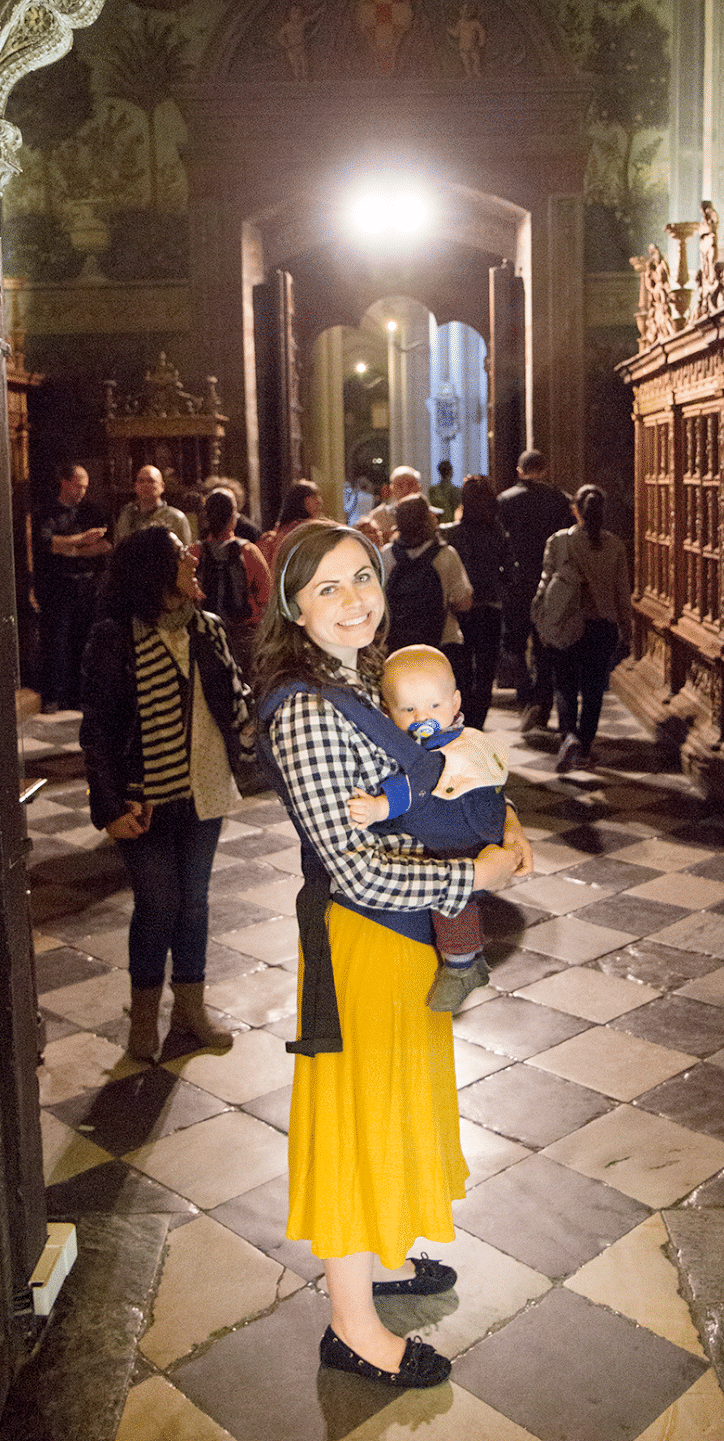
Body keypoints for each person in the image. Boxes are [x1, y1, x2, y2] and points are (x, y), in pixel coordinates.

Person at [254, 519, 530, 1389]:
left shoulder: (370, 677)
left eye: (360, 579)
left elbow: (448, 767)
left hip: (404, 944)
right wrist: (468, 880)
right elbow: (354, 869)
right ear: (293, 607)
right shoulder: (304, 708)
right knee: (350, 1121)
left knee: (395, 1103)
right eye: (327, 587)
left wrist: (503, 824)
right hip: (361, 943)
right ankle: (350, 1326)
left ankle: (384, 1250)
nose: (352, 600)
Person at [80, 527, 252, 1061]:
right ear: (156, 572)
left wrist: (255, 722)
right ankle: (144, 1020)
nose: (193, 559)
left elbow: (233, 697)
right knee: (159, 903)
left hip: (202, 787)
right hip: (143, 796)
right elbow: (99, 729)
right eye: (182, 555)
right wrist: (108, 806)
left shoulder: (208, 628)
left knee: (194, 902)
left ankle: (191, 1009)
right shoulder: (114, 637)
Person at [348, 642, 510, 1010]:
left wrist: (377, 807)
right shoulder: (433, 736)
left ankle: (461, 966)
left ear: (455, 704)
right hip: (462, 826)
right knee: (457, 899)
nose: (423, 716)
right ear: (388, 713)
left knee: (451, 900)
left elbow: (413, 785)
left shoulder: (448, 745)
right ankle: (470, 960)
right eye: (409, 709)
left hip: (462, 833)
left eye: (434, 706)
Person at [534, 485, 631, 773]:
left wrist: (542, 619)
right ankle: (585, 746)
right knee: (593, 689)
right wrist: (626, 629)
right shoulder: (615, 546)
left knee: (564, 685)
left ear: (575, 509)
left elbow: (546, 583)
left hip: (566, 623)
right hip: (603, 626)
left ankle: (569, 737)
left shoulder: (559, 541)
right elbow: (622, 593)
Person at [496, 449, 574, 729]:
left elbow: (499, 543)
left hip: (516, 582)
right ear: (544, 470)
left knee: (513, 643)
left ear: (519, 471)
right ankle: (541, 703)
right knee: (545, 645)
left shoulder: (504, 500)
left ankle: (525, 694)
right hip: (551, 582)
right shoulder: (559, 500)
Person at [32, 463, 111, 711]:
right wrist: (82, 540)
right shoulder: (46, 512)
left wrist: (73, 550)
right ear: (64, 482)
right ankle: (54, 697)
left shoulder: (91, 510)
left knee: (84, 642)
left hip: (88, 585)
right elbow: (47, 544)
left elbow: (107, 545)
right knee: (57, 642)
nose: (82, 492)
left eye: (85, 487)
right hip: (57, 586)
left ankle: (80, 698)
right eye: (78, 486)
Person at [441, 474, 515, 728]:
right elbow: (509, 570)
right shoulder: (498, 532)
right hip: (490, 607)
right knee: (485, 671)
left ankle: (462, 721)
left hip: (461, 608)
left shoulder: (453, 534)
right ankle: (477, 724)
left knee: (462, 670)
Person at [386, 494, 472, 685]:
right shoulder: (446, 555)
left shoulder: (386, 556)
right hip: (442, 643)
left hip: (397, 645)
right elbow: (463, 602)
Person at [198, 486, 271, 675]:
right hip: (244, 634)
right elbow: (266, 596)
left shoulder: (194, 553)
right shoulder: (248, 552)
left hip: (204, 634)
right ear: (233, 517)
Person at [115, 464, 192, 546]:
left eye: (151, 481)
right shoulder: (126, 516)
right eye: (141, 481)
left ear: (162, 486)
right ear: (136, 486)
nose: (145, 485)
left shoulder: (176, 518)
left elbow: (186, 553)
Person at [257, 478, 324, 567]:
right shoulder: (272, 540)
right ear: (300, 500)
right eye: (314, 496)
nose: (319, 501)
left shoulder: (319, 532)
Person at [368, 465, 421, 540]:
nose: (405, 490)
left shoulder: (429, 514)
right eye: (400, 485)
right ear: (391, 488)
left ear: (418, 487)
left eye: (410, 485)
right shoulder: (379, 516)